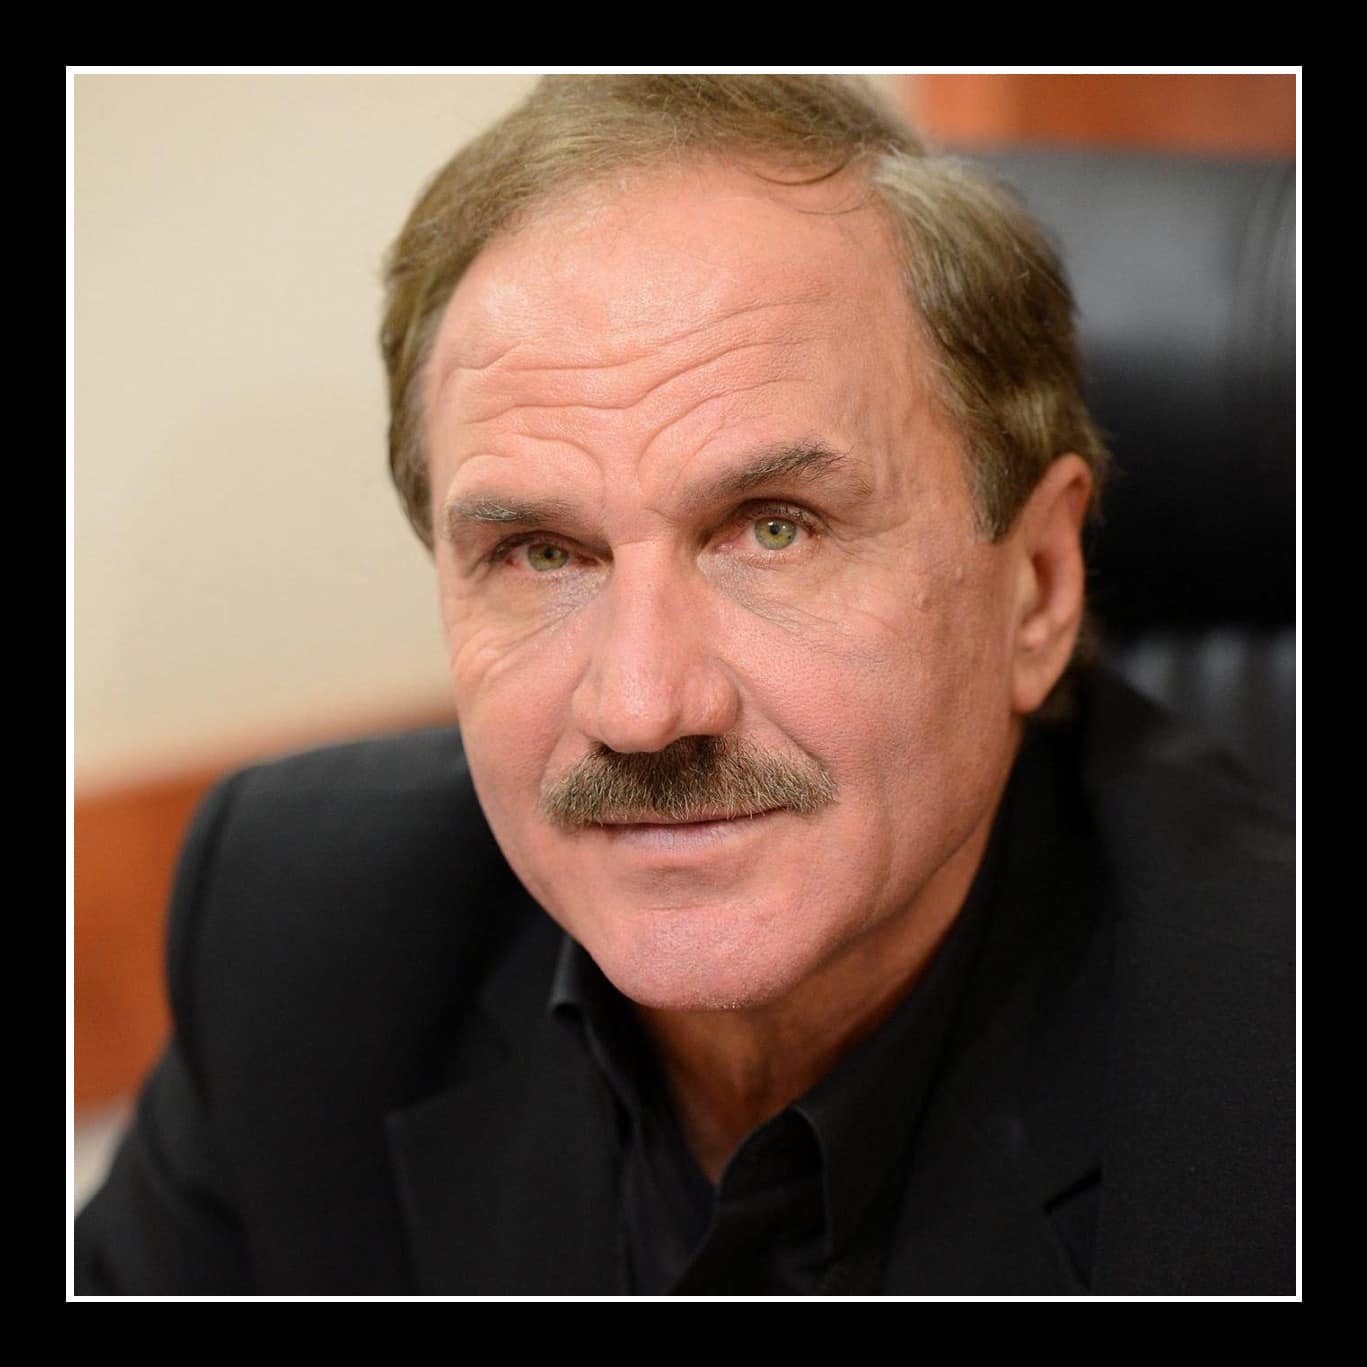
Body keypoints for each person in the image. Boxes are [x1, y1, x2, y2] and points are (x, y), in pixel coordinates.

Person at [74, 75, 1294, 1297]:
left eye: (773, 528)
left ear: (1035, 585)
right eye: (540, 553)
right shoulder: (305, 935)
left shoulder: (1260, 1089)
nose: (642, 707)